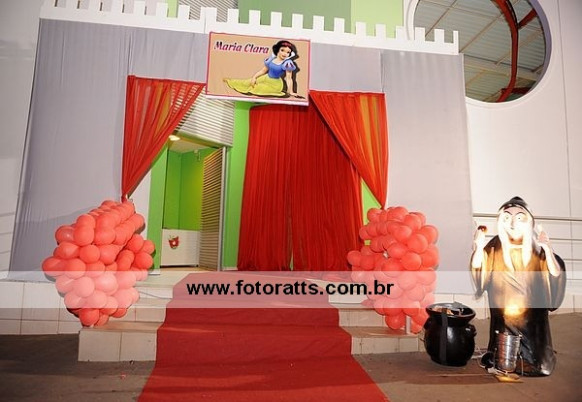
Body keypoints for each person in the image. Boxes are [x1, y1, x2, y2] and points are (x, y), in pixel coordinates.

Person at [470, 196, 566, 376]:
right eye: (507, 218)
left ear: (529, 222)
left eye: (519, 218)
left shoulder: (537, 247)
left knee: (536, 361)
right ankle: (502, 359)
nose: (513, 223)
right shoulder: (495, 246)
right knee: (501, 353)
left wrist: (548, 250)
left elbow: (555, 274)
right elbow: (480, 270)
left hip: (531, 319)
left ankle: (533, 359)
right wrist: (478, 248)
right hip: (503, 317)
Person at [224, 40, 301, 98]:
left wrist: (290, 91)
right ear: (278, 50)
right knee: (248, 82)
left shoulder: (287, 63)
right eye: (282, 50)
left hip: (275, 84)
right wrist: (254, 77)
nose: (284, 54)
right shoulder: (271, 59)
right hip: (266, 78)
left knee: (258, 88)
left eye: (288, 52)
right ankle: (231, 81)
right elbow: (263, 71)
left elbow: (289, 78)